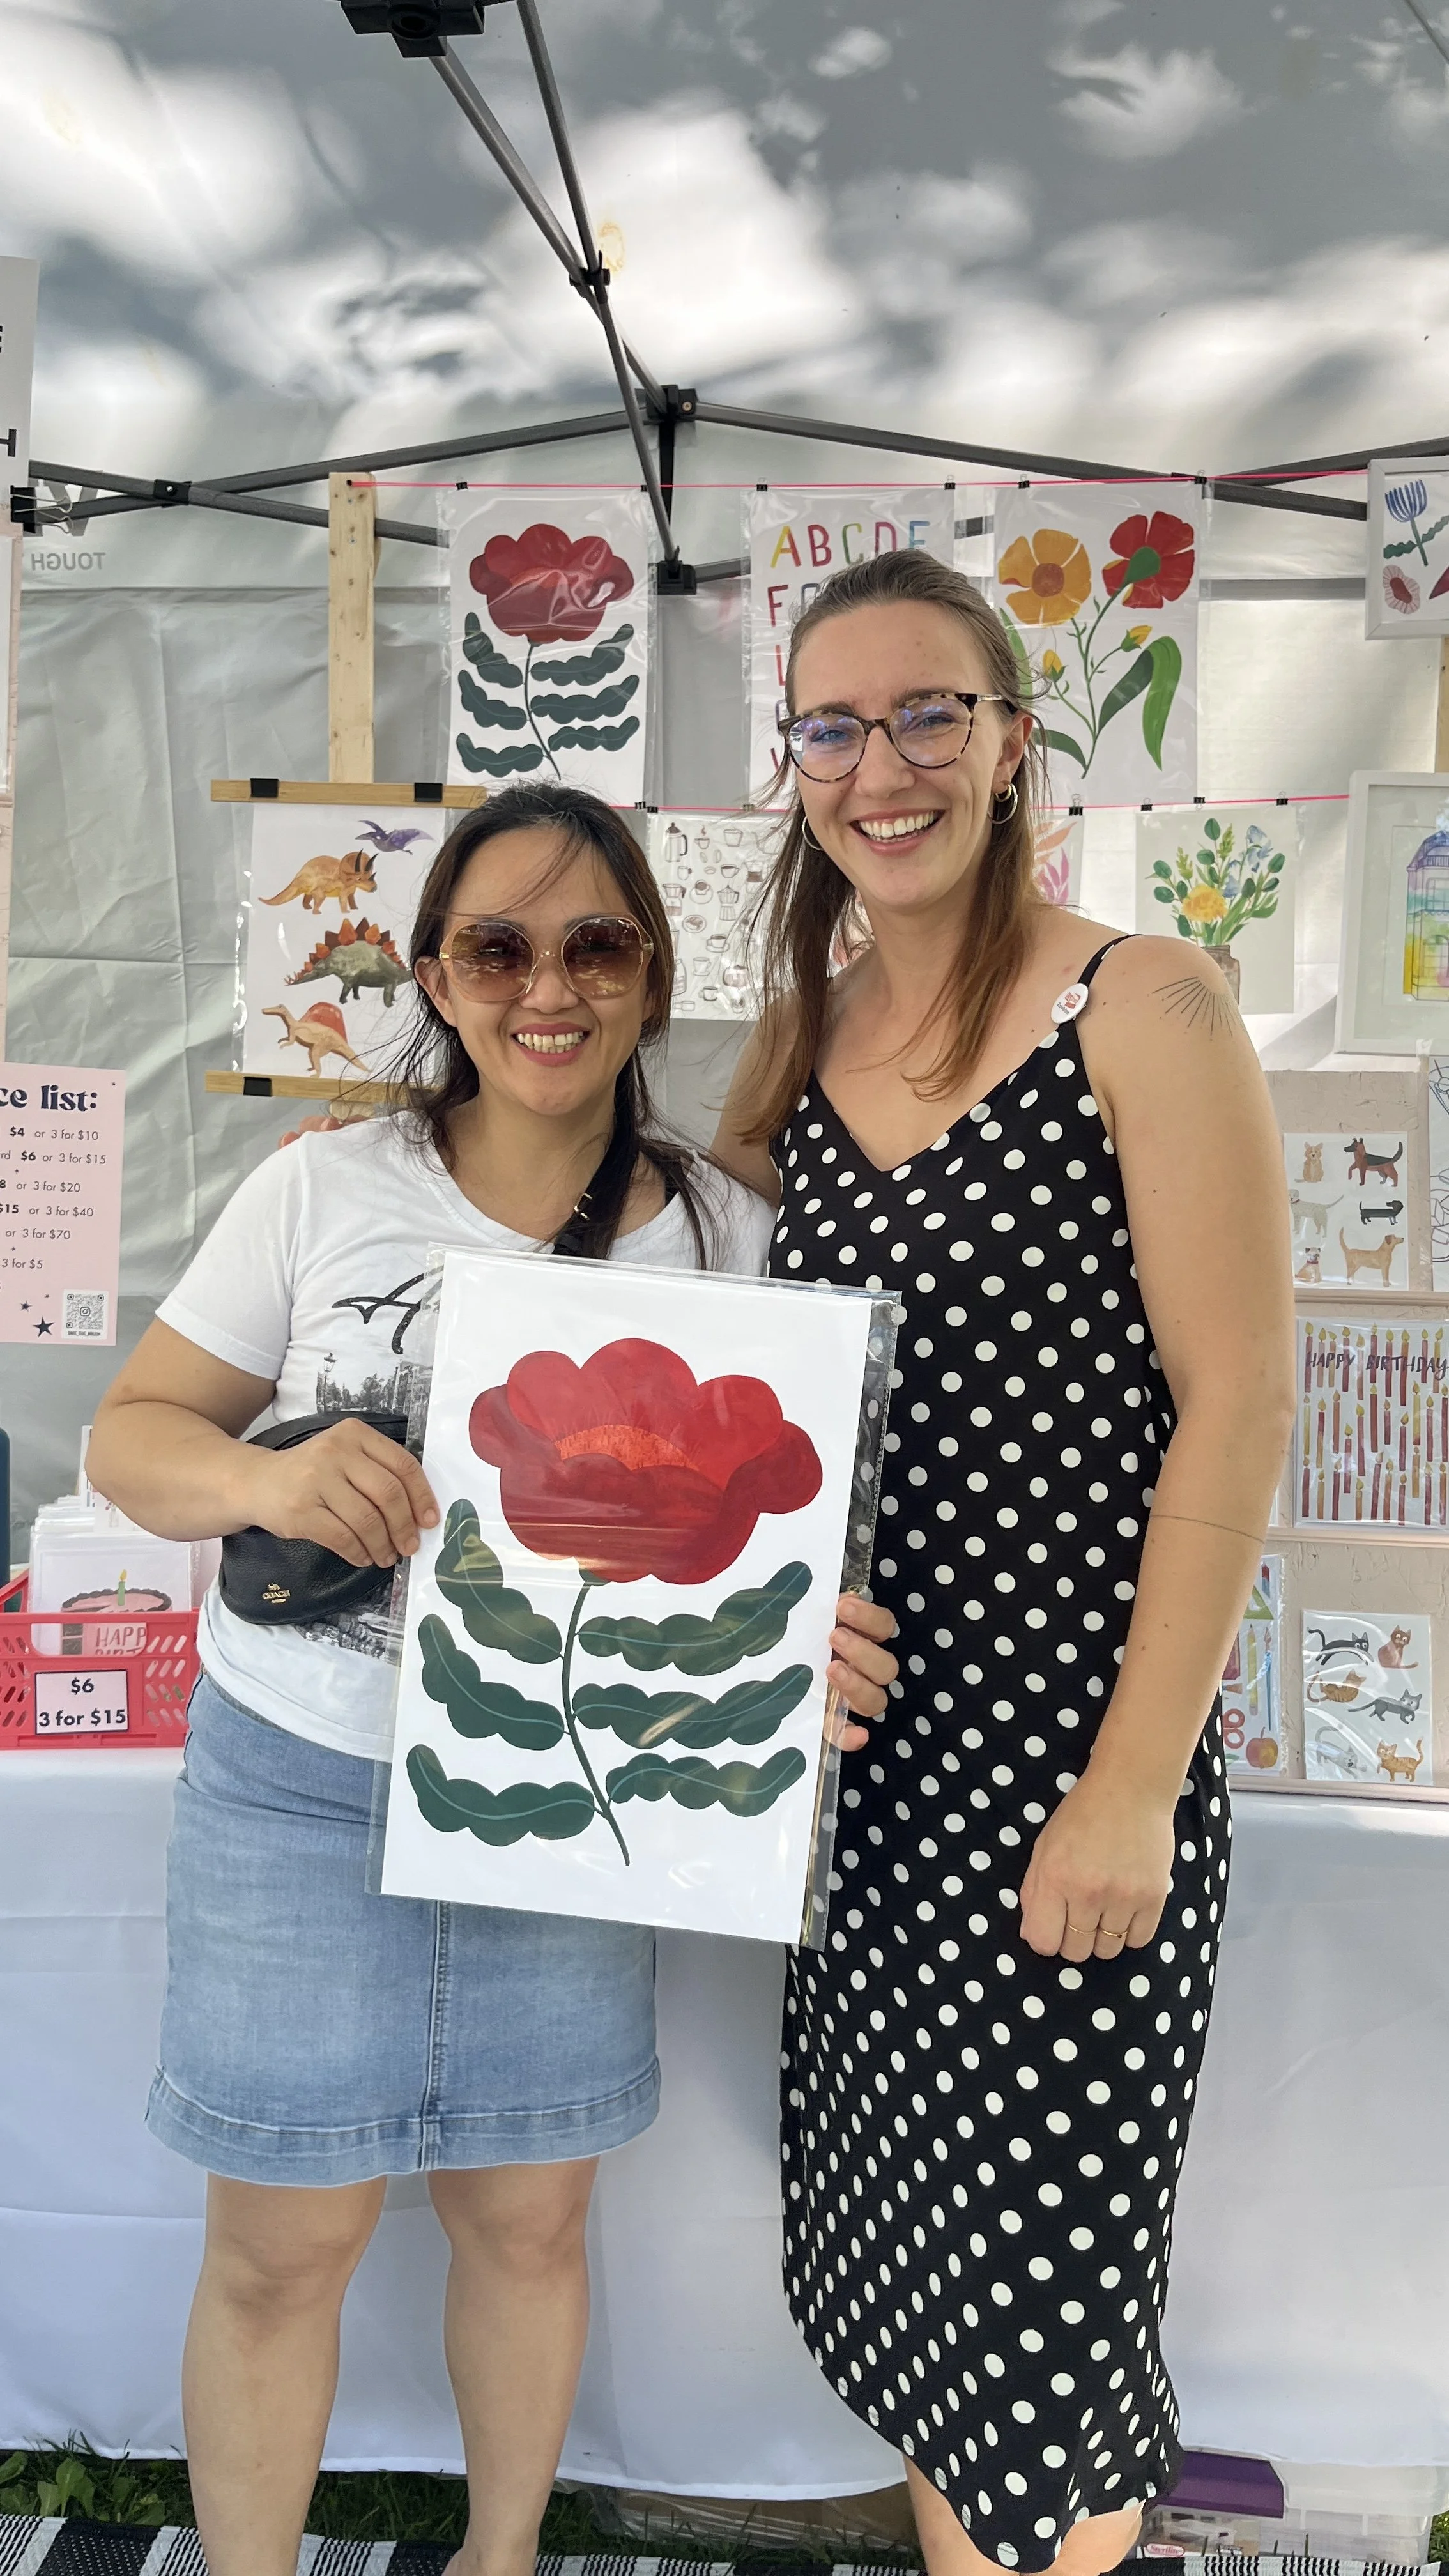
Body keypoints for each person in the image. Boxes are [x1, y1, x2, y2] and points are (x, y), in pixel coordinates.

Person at [86, 783, 898, 2576]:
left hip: (569, 1802)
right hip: (300, 1785)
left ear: (652, 972)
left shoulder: (725, 1231)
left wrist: (796, 1634)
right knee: (282, 2247)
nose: (549, 986)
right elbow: (131, 1439)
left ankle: (501, 2556)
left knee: (527, 2222)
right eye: (498, 947)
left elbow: (781, 1522)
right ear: (437, 977)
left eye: (595, 943)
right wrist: (269, 1481)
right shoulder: (320, 1187)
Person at [712, 551, 1294, 2576]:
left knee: (1044, 2314)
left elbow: (1239, 1403)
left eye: (924, 714)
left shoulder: (1141, 1000)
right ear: (794, 764)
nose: (880, 765)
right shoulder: (798, 1047)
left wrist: (1132, 1785)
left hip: (1071, 1770)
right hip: (867, 1791)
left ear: (1010, 741)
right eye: (833, 725)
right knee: (927, 2285)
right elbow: (741, 1396)